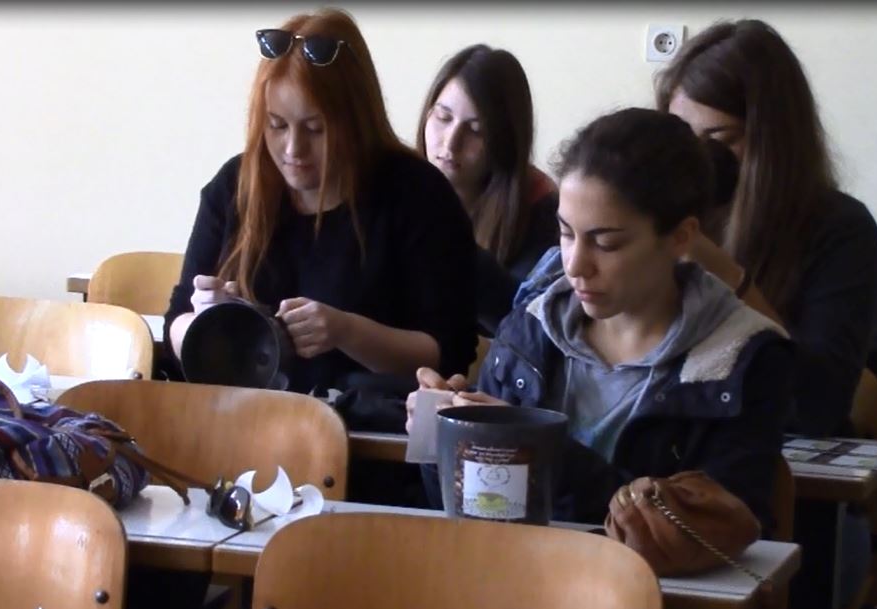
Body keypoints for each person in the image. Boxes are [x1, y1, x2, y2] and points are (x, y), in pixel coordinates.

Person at [409, 108, 791, 534]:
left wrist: (539, 448)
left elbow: (715, 534)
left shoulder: (739, 362)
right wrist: (445, 437)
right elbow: (475, 515)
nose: (575, 265)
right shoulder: (531, 330)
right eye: (565, 233)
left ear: (681, 237)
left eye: (606, 243)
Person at [657, 20, 877, 607]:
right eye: (681, 140)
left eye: (719, 140)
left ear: (772, 140)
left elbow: (817, 401)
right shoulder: (651, 222)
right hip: (662, 479)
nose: (699, 164)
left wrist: (720, 270)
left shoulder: (841, 230)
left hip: (786, 506)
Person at [164, 9, 480, 397]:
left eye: (315, 129)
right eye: (277, 125)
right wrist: (206, 322)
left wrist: (347, 331)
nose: (293, 149)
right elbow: (175, 323)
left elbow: (449, 352)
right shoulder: (235, 186)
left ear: (355, 120)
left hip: (370, 427)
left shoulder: (418, 196)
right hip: (248, 420)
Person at [416, 44, 557, 298]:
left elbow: (520, 312)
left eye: (475, 130)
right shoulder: (399, 182)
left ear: (506, 141)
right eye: (443, 118)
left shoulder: (541, 211)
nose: (451, 143)